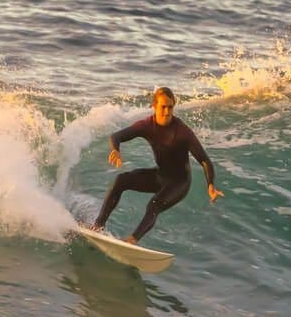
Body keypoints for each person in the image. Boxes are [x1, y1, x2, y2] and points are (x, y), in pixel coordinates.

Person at [93, 87, 223, 243]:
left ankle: (132, 240)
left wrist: (211, 185)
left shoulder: (182, 131)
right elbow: (117, 136)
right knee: (121, 180)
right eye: (163, 107)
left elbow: (204, 160)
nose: (167, 112)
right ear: (154, 106)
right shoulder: (147, 125)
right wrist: (116, 149)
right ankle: (97, 227)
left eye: (170, 107)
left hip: (180, 182)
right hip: (161, 175)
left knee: (154, 206)